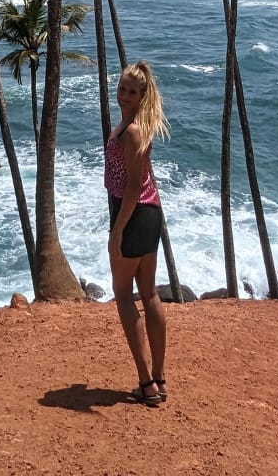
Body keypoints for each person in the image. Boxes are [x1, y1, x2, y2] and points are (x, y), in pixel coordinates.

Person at [105, 60, 169, 406]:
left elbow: (131, 188)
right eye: (122, 88)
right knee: (150, 294)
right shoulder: (138, 125)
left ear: (143, 94)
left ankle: (146, 383)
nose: (125, 95)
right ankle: (159, 377)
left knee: (123, 295)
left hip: (132, 214)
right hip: (151, 213)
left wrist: (117, 232)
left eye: (132, 91)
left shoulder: (131, 131)